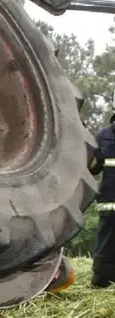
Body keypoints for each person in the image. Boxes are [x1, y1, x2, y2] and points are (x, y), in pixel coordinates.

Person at [92, 114, 115, 288]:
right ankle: (101, 281)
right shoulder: (103, 135)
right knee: (107, 239)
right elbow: (93, 167)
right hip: (109, 198)